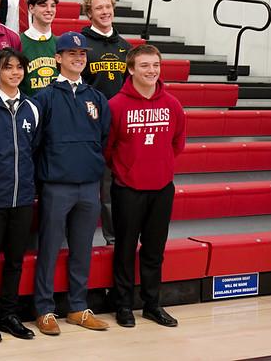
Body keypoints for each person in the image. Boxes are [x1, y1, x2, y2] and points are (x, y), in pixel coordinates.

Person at [32, 31, 111, 336]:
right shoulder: (45, 97)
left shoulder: (96, 98)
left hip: (88, 185)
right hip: (56, 185)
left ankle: (78, 306)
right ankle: (44, 308)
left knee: (82, 249)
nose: (78, 59)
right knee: (50, 249)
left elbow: (102, 137)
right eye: (72, 54)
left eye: (82, 55)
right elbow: (36, 143)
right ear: (58, 58)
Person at [105, 45, 186, 329]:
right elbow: (108, 148)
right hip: (128, 189)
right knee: (125, 249)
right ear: (130, 69)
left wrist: (158, 167)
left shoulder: (173, 104)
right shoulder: (116, 105)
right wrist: (128, 170)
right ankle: (123, 306)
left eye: (155, 65)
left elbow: (178, 143)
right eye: (144, 66)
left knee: (154, 250)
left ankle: (153, 305)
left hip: (162, 188)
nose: (151, 71)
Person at [0, 47, 39, 343]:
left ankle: (10, 314)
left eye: (19, 68)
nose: (15, 72)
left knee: (15, 259)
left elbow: (34, 150)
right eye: (8, 67)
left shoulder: (32, 107)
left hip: (23, 197)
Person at [80, 0, 133, 245]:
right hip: (90, 125)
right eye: (98, 8)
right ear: (89, 13)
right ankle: (88, 237)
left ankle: (117, 236)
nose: (105, 11)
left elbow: (130, 87)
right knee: (94, 184)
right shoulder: (81, 43)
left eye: (108, 6)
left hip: (120, 125)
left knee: (117, 185)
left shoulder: (125, 47)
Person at [20, 0, 59, 95]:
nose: (49, 10)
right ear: (31, 8)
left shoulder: (60, 44)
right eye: (43, 5)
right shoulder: (18, 42)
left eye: (53, 6)